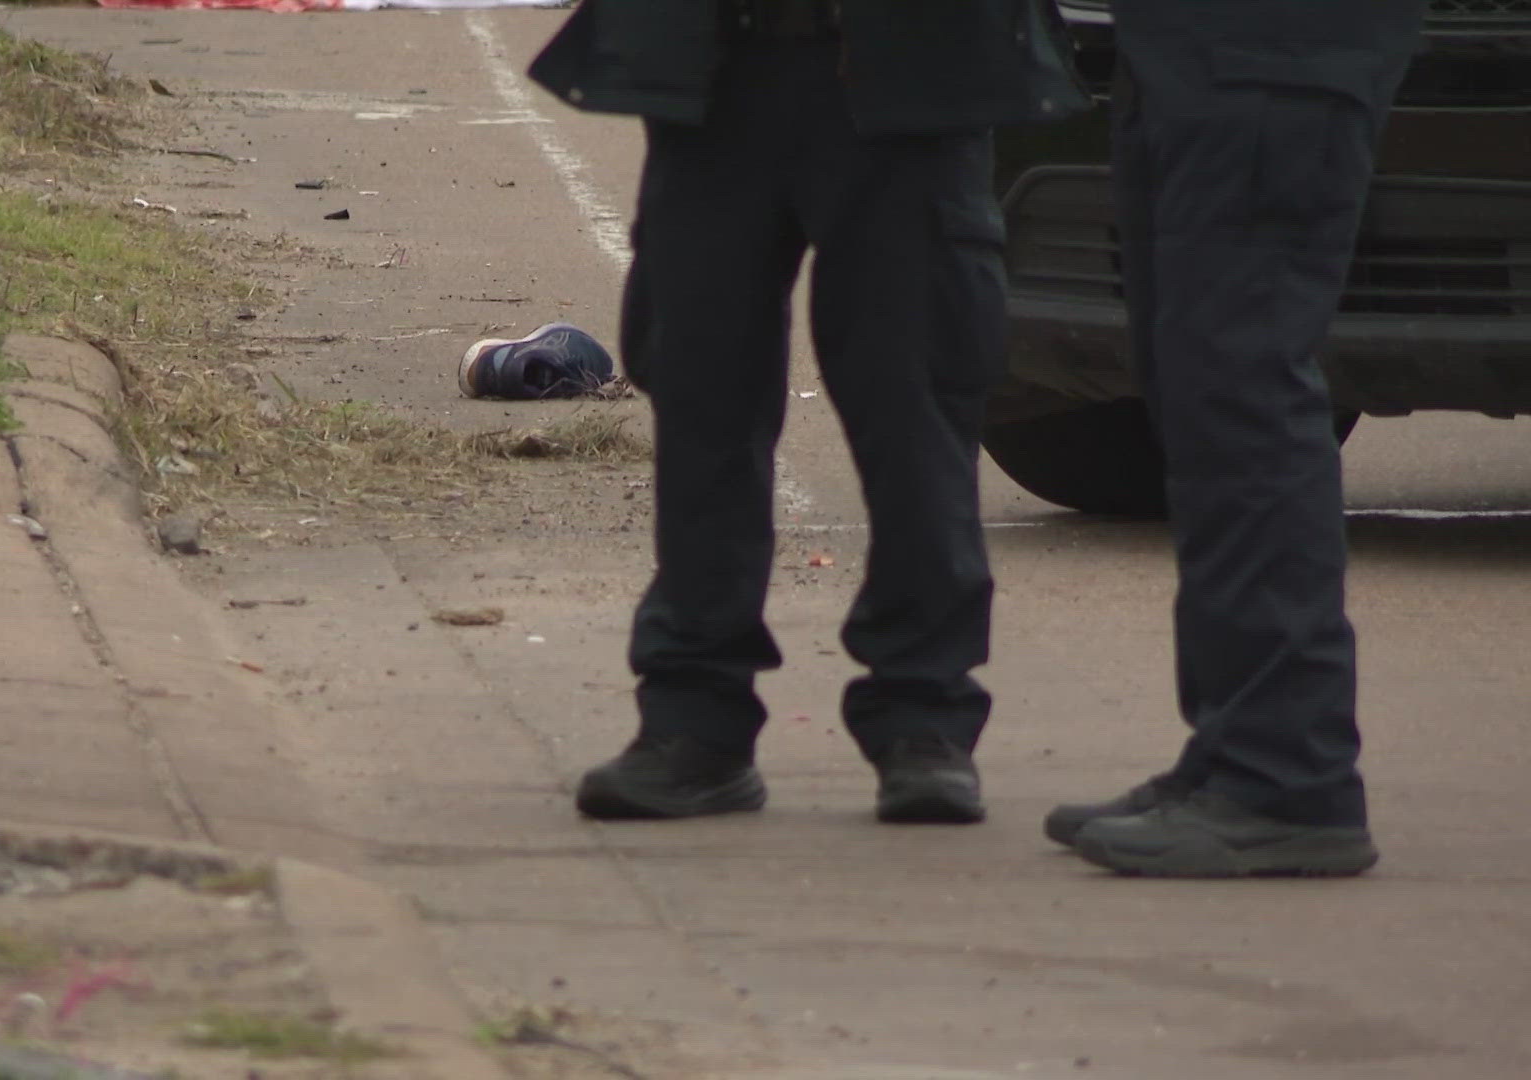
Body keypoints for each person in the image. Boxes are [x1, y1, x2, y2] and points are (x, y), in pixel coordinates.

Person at [528, 1, 1088, 823]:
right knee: (702, 391)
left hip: (913, 70)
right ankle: (694, 722)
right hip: (718, 58)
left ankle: (923, 718)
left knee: (916, 402)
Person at [1044, 0, 1427, 876]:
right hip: (1193, 48)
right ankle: (1233, 750)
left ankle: (1287, 778)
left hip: (1271, 47)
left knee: (1241, 384)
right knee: (1196, 392)